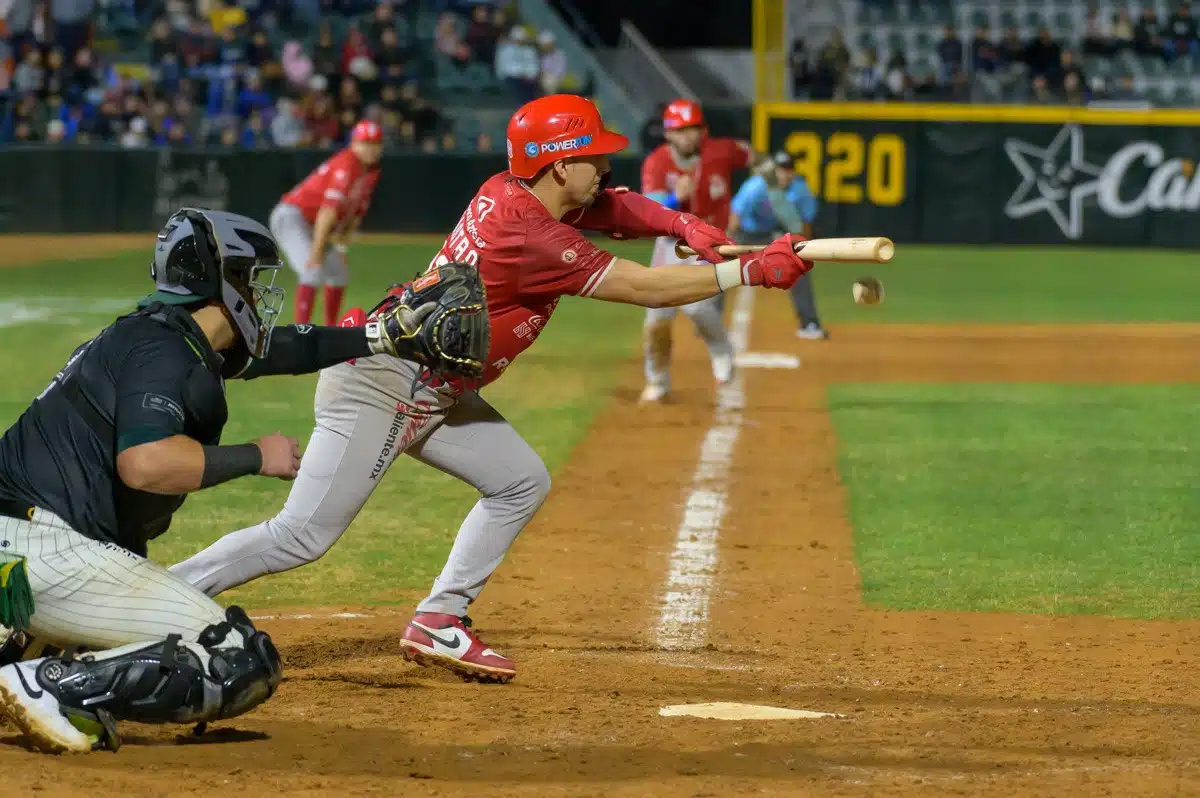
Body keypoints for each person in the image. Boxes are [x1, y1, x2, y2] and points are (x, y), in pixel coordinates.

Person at [168, 94, 815, 685]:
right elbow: (642, 288)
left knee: (520, 481)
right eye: (593, 156)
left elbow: (614, 206)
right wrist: (747, 270)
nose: (604, 167)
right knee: (300, 535)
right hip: (389, 381)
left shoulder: (515, 190)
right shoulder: (533, 235)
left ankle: (438, 619)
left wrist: (680, 227)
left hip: (436, 384)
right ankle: (150, 596)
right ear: (560, 166)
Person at [0, 208, 476, 754]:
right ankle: (46, 683)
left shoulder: (162, 338)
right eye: (249, 280)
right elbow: (146, 464)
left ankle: (23, 647)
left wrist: (381, 336)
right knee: (236, 658)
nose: (256, 294)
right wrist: (256, 455)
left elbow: (285, 348)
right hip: (41, 553)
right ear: (218, 279)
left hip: (21, 549)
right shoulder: (163, 352)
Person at [638, 98, 765, 403]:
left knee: (694, 305)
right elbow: (650, 213)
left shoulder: (720, 151)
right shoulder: (656, 163)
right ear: (668, 133)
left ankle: (721, 350)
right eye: (680, 130)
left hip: (712, 240)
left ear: (703, 131)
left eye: (694, 129)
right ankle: (657, 382)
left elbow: (757, 158)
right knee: (656, 320)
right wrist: (672, 198)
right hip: (672, 241)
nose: (688, 136)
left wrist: (749, 198)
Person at [271, 119, 384, 326]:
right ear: (353, 144)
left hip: (315, 225)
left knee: (338, 272)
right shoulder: (348, 163)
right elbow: (327, 212)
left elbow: (354, 214)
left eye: (375, 144)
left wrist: (339, 245)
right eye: (365, 143)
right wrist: (317, 250)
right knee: (312, 269)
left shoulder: (370, 172)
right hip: (292, 216)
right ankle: (301, 331)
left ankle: (331, 329)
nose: (370, 149)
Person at [729, 150, 827, 339]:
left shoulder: (801, 191)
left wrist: (802, 253)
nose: (784, 174)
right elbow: (735, 217)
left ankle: (810, 323)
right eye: (780, 170)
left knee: (799, 267)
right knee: (718, 264)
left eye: (789, 170)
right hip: (748, 233)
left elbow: (804, 226)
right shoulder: (755, 187)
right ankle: (709, 317)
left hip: (777, 235)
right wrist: (727, 243)